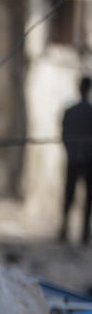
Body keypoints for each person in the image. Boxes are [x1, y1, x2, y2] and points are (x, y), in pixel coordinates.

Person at [60, 76, 92, 245]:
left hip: (75, 159)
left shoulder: (70, 111)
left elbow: (64, 135)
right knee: (86, 198)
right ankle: (83, 233)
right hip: (86, 160)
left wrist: (72, 152)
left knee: (70, 195)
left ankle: (65, 229)